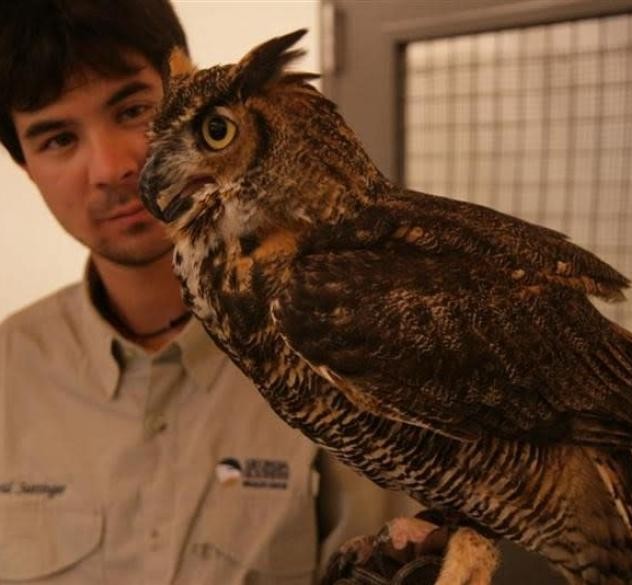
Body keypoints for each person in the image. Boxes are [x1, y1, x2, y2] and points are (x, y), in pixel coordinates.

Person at [0, 2, 395, 583]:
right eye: (59, 138)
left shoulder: (340, 350)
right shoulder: (11, 372)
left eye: (134, 109)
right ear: (27, 167)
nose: (113, 167)